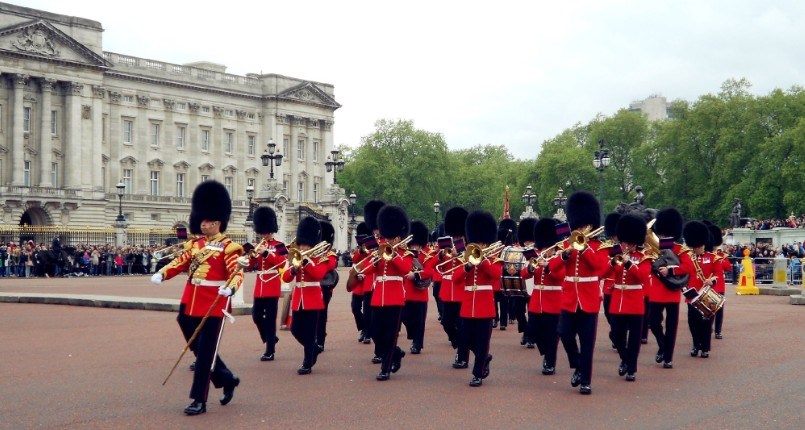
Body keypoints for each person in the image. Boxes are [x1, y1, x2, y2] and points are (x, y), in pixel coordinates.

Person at [151, 180, 243, 416]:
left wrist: (230, 289)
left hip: (215, 302)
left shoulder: (230, 247)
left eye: (206, 221)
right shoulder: (195, 244)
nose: (202, 224)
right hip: (191, 299)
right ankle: (226, 377)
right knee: (196, 341)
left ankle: (198, 400)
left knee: (204, 355)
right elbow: (180, 262)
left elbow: (236, 273)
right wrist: (163, 273)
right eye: (201, 220)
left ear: (217, 222)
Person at [557, 191, 608, 395]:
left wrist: (585, 248)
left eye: (583, 225)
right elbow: (553, 267)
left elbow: (601, 268)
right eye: (577, 225)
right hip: (570, 298)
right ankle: (577, 365)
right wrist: (565, 254)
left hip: (588, 297)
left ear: (591, 225)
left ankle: (586, 380)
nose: (580, 229)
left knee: (588, 341)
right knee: (564, 333)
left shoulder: (599, 246)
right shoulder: (566, 244)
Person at [361, 205, 413, 381]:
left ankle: (385, 368)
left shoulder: (405, 253)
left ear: (399, 236)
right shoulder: (379, 251)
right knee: (376, 332)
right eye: (388, 236)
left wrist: (393, 256)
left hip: (395, 296)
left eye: (393, 237)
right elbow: (368, 269)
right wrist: (365, 269)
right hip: (378, 296)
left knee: (390, 334)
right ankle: (395, 353)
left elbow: (406, 269)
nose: (389, 240)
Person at [451, 210, 501, 387]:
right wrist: (468, 267)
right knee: (465, 339)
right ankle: (485, 358)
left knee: (482, 340)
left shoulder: (494, 256)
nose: (478, 244)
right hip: (468, 303)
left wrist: (483, 261)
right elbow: (456, 278)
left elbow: (496, 275)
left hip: (484, 302)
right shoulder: (467, 256)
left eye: (480, 241)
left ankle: (477, 373)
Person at [281, 217, 329, 375]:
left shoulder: (320, 257)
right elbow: (286, 278)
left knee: (309, 332)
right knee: (295, 330)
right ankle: (314, 349)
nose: (302, 247)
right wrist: (294, 269)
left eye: (305, 244)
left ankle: (307, 362)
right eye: (301, 244)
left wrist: (307, 262)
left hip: (313, 298)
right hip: (298, 298)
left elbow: (318, 275)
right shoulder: (295, 256)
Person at [607, 215, 651, 381]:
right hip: (618, 299)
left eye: (628, 243)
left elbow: (643, 277)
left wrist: (629, 264)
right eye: (624, 242)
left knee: (634, 338)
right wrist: (612, 263)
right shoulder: (616, 254)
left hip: (635, 301)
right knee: (615, 334)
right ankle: (626, 359)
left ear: (635, 242)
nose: (625, 245)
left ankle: (631, 369)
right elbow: (602, 274)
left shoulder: (644, 257)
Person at [649, 207, 692, 369]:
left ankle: (668, 357)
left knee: (671, 326)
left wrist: (671, 270)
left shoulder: (680, 249)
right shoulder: (654, 248)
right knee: (653, 323)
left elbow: (688, 267)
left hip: (671, 291)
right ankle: (663, 345)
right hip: (656, 292)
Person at [521, 218, 565, 375]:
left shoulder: (559, 257)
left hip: (553, 300)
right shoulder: (536, 255)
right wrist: (532, 268)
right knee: (534, 331)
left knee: (552, 335)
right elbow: (524, 274)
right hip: (537, 300)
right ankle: (546, 353)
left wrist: (547, 267)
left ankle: (550, 362)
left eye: (548, 246)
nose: (546, 249)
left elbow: (560, 276)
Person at [249, 206, 287, 362]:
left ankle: (270, 350)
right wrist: (252, 256)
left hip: (272, 284)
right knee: (256, 316)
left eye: (267, 231)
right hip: (260, 285)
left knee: (270, 320)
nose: (265, 234)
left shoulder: (280, 246)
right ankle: (270, 338)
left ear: (272, 229)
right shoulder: (258, 246)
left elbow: (282, 264)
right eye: (263, 232)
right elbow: (251, 266)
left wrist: (266, 254)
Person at [680, 221, 718, 358]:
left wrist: (712, 280)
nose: (700, 247)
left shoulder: (712, 258)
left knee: (706, 323)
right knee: (693, 322)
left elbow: (718, 274)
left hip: (706, 294)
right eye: (698, 246)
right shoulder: (688, 258)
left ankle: (705, 348)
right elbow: (683, 274)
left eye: (702, 245)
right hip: (692, 295)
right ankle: (696, 344)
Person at [437, 206, 469, 359]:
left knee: (463, 325)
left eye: (458, 237)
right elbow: (438, 268)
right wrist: (442, 256)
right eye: (454, 237)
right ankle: (459, 344)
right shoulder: (447, 247)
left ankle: (461, 355)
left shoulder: (470, 249)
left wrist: (460, 255)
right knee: (446, 322)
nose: (456, 239)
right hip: (448, 291)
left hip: (462, 290)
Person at [402, 220, 432, 354]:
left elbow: (430, 271)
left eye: (416, 244)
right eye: (412, 244)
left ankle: (417, 344)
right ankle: (413, 336)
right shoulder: (405, 255)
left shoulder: (426, 256)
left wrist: (416, 275)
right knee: (405, 317)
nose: (414, 247)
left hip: (420, 293)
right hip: (407, 292)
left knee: (420, 322)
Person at [315, 220, 339, 353]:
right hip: (312, 287)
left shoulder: (330, 254)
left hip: (325, 287)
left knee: (322, 314)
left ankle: (320, 340)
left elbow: (329, 266)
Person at [708, 224, 730, 340]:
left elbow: (728, 267)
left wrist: (720, 259)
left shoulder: (721, 255)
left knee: (719, 310)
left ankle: (718, 331)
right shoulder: (708, 256)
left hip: (720, 286)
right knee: (710, 309)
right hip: (710, 286)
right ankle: (709, 328)